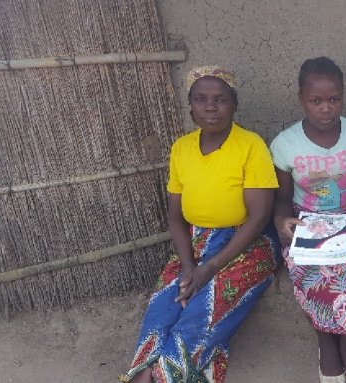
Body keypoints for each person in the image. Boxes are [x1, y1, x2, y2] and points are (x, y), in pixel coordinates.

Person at [120, 66, 281, 383]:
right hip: (194, 242)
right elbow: (175, 216)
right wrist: (188, 264)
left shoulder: (251, 146)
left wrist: (207, 270)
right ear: (190, 106)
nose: (210, 106)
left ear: (234, 105)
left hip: (248, 241)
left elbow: (259, 216)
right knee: (167, 300)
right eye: (201, 99)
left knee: (205, 304)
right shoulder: (181, 149)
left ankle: (167, 375)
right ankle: (141, 373)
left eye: (220, 99)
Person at [270, 57, 346, 383]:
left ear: (343, 97)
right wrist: (282, 222)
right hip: (307, 227)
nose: (326, 108)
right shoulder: (285, 145)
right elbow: (281, 200)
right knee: (315, 275)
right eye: (316, 100)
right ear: (301, 99)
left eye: (333, 99)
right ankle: (327, 342)